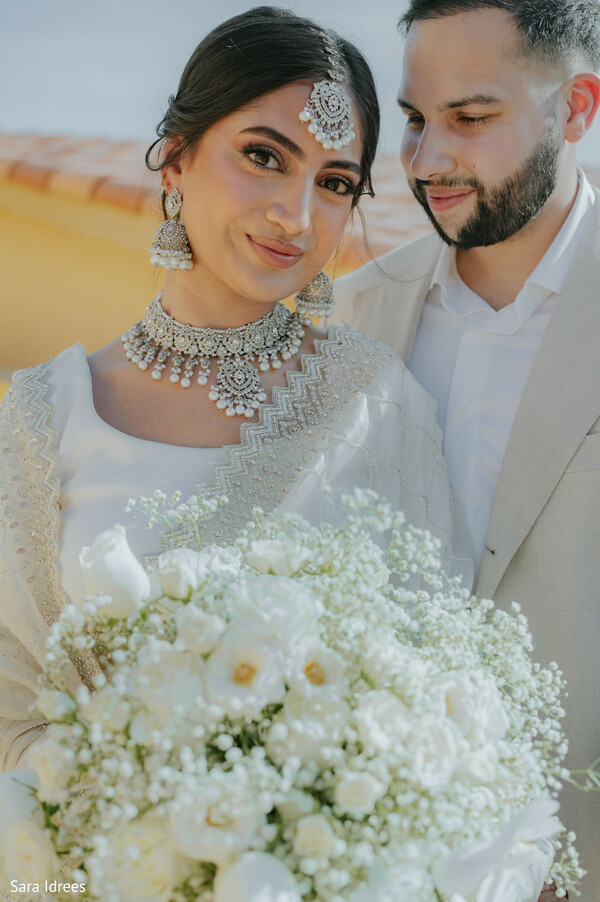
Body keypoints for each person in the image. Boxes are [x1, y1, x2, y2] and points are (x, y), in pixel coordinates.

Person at [0, 6, 470, 779]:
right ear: (175, 160)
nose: (296, 215)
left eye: (335, 183)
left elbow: (435, 685)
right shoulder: (44, 413)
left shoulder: (375, 405)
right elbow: (11, 708)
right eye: (264, 156)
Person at [331, 1, 600, 899]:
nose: (425, 160)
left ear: (576, 108)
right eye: (415, 119)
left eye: (471, 117)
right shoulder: (352, 316)